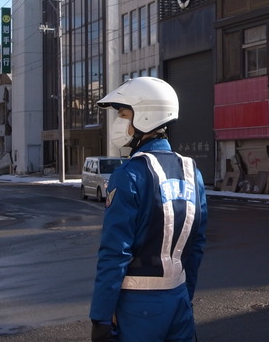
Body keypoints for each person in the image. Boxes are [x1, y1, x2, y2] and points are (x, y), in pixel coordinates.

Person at [89, 77, 208, 342]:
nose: (118, 122)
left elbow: (115, 252)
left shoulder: (129, 174)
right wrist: (184, 297)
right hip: (179, 301)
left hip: (138, 308)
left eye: (123, 115)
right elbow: (196, 246)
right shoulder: (192, 172)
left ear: (145, 116)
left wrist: (101, 317)